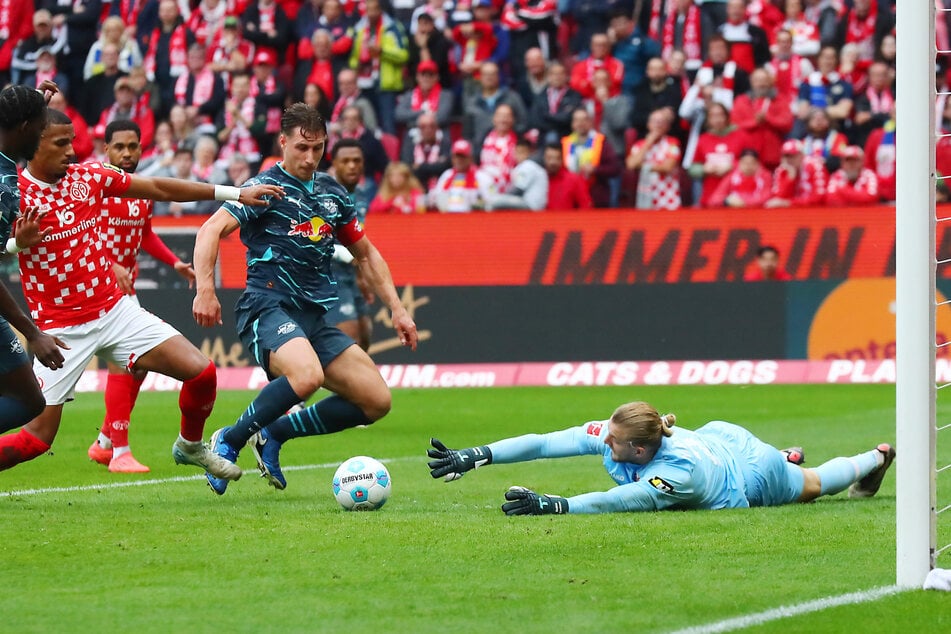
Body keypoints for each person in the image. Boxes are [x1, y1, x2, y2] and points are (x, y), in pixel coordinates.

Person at [3, 107, 282, 477]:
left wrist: (236, 193)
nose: (72, 151)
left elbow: (159, 187)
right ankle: (110, 445)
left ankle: (190, 445)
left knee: (201, 373)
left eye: (72, 141)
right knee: (36, 440)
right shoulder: (14, 193)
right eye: (61, 143)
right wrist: (14, 245)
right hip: (61, 329)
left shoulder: (89, 177)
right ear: (34, 143)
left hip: (115, 311)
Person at [192, 103, 418, 495]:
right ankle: (229, 439)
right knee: (307, 376)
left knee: (376, 400)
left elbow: (366, 253)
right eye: (302, 148)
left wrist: (397, 309)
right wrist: (205, 290)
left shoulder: (333, 193)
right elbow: (209, 230)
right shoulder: (263, 189)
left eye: (317, 149)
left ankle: (275, 432)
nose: (310, 157)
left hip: (313, 318)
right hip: (267, 306)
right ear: (283, 142)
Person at [427, 400, 896, 515]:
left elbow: (622, 499)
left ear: (639, 450)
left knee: (813, 485)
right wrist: (477, 455)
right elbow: (547, 442)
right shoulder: (624, 432)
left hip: (751, 474)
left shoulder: (678, 474)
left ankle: (872, 460)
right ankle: (785, 454)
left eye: (612, 442)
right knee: (794, 466)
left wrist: (556, 504)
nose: (602, 443)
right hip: (718, 437)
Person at [86, 119, 197, 473]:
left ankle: (106, 442)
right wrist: (107, 264)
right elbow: (77, 233)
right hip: (93, 291)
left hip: (124, 291)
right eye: (119, 147)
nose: (127, 153)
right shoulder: (94, 186)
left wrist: (175, 262)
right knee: (127, 363)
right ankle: (118, 451)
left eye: (133, 146)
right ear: (106, 150)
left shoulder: (142, 189)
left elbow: (145, 234)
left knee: (141, 363)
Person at [0, 84, 68, 459]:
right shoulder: (3, 188)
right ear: (24, 127)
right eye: (41, 128)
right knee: (28, 400)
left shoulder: (8, 151)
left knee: (29, 400)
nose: (44, 136)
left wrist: (34, 104)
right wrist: (34, 334)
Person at [324, 139, 374, 351]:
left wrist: (362, 276)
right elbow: (314, 239)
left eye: (357, 161)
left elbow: (356, 236)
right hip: (329, 275)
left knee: (365, 335)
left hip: (352, 275)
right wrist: (346, 255)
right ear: (335, 163)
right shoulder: (322, 193)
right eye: (346, 161)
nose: (352, 166)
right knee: (350, 340)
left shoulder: (361, 194)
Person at [429, 139, 496, 213]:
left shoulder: (483, 177)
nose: (459, 160)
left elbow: (492, 202)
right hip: (449, 219)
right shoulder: (446, 176)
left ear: (470, 158)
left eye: (462, 157)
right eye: (456, 156)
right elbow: (438, 198)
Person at [487, 137, 549, 211]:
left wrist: (502, 198)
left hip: (531, 205)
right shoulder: (524, 166)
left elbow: (518, 190)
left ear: (531, 152)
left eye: (523, 152)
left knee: (494, 201)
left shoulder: (529, 165)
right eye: (517, 152)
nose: (520, 155)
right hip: (529, 204)